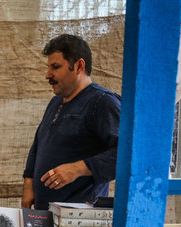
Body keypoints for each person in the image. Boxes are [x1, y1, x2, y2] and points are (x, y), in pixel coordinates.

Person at [22, 34, 120, 210]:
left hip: (79, 219)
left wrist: (79, 168)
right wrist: (29, 183)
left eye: (55, 67)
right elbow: (38, 144)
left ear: (79, 66)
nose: (48, 75)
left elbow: (127, 154)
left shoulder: (102, 102)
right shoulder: (56, 102)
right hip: (47, 213)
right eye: (48, 67)